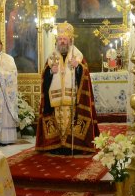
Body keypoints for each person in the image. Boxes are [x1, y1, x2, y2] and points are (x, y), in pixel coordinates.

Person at [35, 22, 99, 154]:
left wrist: (78, 67)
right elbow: (45, 76)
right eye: (60, 39)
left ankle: (72, 145)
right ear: (57, 41)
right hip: (55, 99)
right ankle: (57, 145)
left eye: (65, 39)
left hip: (73, 98)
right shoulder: (52, 56)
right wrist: (50, 72)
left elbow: (85, 75)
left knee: (71, 122)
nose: (62, 41)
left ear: (70, 40)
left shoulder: (78, 56)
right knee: (57, 122)